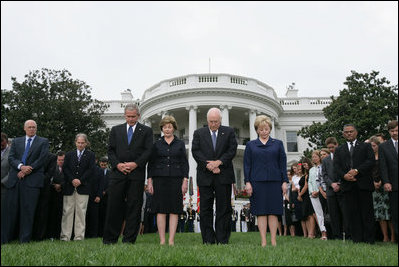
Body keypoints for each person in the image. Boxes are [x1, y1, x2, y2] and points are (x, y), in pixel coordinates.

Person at [103, 103, 153, 245]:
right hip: (117, 174)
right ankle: (109, 239)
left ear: (138, 116)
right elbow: (110, 151)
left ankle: (129, 240)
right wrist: (118, 165)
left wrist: (135, 164)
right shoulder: (115, 130)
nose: (131, 119)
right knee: (114, 206)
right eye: (128, 116)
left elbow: (148, 151)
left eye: (133, 117)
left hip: (136, 174)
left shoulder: (146, 131)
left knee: (134, 207)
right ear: (124, 115)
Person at [192, 107, 237, 244]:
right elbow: (195, 151)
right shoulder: (199, 133)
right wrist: (209, 165)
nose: (213, 124)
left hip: (223, 176)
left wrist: (219, 162)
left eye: (216, 121)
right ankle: (208, 239)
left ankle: (222, 239)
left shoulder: (229, 132)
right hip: (205, 176)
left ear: (220, 120)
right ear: (207, 120)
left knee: (224, 208)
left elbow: (232, 150)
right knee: (205, 209)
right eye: (211, 121)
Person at [1, 120, 49, 244]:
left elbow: (42, 159)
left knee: (28, 212)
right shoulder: (16, 141)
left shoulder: (43, 142)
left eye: (34, 127)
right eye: (29, 127)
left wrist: (28, 169)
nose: (32, 129)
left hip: (32, 182)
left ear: (36, 129)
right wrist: (21, 166)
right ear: (24, 128)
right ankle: (5, 239)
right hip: (14, 180)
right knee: (9, 212)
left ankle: (24, 240)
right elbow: (11, 158)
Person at [244, 115, 288, 246]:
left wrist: (284, 181)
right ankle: (263, 241)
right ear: (257, 130)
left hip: (275, 182)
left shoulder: (278, 144)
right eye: (261, 129)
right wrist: (247, 182)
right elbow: (247, 165)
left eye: (266, 129)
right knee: (261, 212)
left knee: (274, 212)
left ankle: (273, 240)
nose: (264, 132)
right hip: (257, 183)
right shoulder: (251, 145)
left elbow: (282, 164)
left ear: (270, 129)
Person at [147, 115, 189, 245]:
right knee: (160, 210)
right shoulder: (156, 144)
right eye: (165, 127)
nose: (167, 129)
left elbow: (184, 164)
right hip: (159, 180)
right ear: (162, 128)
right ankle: (162, 240)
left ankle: (171, 240)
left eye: (169, 127)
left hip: (176, 180)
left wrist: (185, 180)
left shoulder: (180, 144)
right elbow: (151, 163)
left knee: (174, 210)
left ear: (174, 128)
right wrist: (149, 181)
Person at [334, 124, 375, 244]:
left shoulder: (366, 146)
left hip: (363, 184)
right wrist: (344, 175)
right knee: (352, 214)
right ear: (343, 134)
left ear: (356, 132)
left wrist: (357, 171)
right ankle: (357, 239)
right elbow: (336, 166)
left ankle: (369, 239)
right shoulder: (339, 149)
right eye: (346, 132)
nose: (349, 134)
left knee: (367, 213)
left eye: (351, 131)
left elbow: (370, 161)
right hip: (348, 186)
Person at [60, 133, 95, 241]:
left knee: (81, 212)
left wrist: (80, 180)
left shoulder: (90, 155)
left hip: (83, 187)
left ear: (86, 143)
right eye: (78, 142)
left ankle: (79, 237)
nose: (80, 145)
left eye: (82, 143)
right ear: (75, 142)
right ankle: (65, 236)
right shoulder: (69, 154)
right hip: (69, 187)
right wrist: (72, 179)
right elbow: (65, 169)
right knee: (67, 212)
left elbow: (90, 170)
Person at [369, 136, 394, 242]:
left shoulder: (384, 156)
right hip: (374, 189)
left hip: (386, 187)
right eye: (371, 146)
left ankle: (393, 235)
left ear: (378, 146)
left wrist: (382, 181)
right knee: (379, 213)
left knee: (389, 212)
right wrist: (373, 182)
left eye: (374, 146)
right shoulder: (369, 158)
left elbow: (386, 169)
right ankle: (385, 236)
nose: (372, 148)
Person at [322, 137, 347, 240]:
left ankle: (348, 234)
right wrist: (332, 184)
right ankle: (337, 236)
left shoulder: (344, 157)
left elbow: (346, 171)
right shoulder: (326, 160)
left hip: (343, 189)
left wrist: (340, 184)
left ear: (337, 145)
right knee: (334, 214)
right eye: (329, 148)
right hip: (331, 191)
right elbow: (324, 175)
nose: (331, 149)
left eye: (333, 147)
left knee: (344, 213)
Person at [379, 120, 398, 242]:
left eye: (397, 130)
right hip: (393, 184)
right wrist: (386, 181)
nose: (395, 133)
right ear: (389, 132)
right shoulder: (383, 146)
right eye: (392, 131)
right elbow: (383, 165)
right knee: (395, 213)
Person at [308, 150, 328, 240]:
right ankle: (323, 233)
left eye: (316, 157)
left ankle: (330, 231)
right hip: (313, 195)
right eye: (313, 157)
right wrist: (312, 192)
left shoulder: (323, 166)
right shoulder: (311, 169)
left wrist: (318, 191)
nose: (314, 159)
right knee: (318, 214)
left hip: (322, 192)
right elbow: (310, 182)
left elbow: (321, 180)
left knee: (326, 213)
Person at [46, 151, 66, 240]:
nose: (61, 162)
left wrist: (61, 185)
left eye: (62, 160)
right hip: (52, 195)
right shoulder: (52, 168)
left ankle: (60, 235)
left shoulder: (67, 169)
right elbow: (48, 179)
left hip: (63, 194)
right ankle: (51, 235)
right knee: (52, 215)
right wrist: (54, 185)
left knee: (62, 215)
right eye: (59, 160)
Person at [98, 157, 110, 237]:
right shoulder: (96, 172)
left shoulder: (110, 173)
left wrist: (106, 191)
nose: (103, 166)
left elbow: (112, 184)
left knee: (106, 215)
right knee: (98, 215)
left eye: (104, 165)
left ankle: (104, 233)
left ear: (107, 164)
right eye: (102, 165)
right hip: (97, 197)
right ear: (99, 163)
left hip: (107, 197)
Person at [1, 133, 10, 216]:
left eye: (2, 141)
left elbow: (13, 171)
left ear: (7, 141)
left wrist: (2, 182)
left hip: (5, 188)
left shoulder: (12, 153)